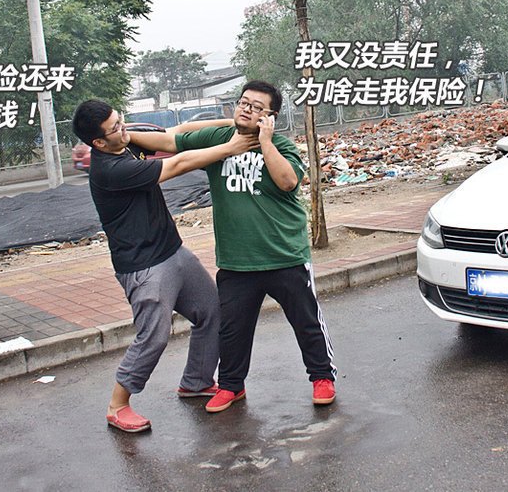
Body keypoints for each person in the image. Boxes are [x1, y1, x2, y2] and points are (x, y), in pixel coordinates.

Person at [129, 81, 336, 413]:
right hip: (237, 262)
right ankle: (230, 386)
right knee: (233, 330)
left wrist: (265, 142)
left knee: (306, 322)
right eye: (243, 102)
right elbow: (170, 141)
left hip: (285, 256)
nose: (246, 109)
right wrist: (126, 137)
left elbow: (287, 182)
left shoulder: (283, 146)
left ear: (271, 116)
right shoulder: (218, 140)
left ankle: (322, 377)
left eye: (256, 107)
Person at [72, 99, 258, 432]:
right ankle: (118, 405)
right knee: (154, 337)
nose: (123, 128)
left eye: (120, 119)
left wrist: (232, 125)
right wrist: (230, 148)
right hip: (143, 267)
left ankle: (196, 381)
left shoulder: (126, 140)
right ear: (98, 142)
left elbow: (179, 134)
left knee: (212, 311)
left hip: (174, 252)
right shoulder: (110, 170)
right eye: (115, 128)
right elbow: (176, 165)